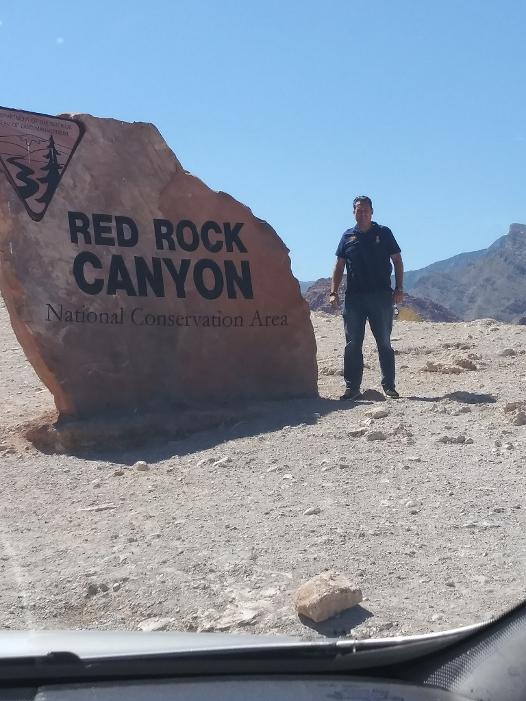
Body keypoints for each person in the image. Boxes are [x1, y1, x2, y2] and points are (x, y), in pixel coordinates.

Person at [330, 195, 404, 400]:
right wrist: (333, 291)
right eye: (358, 210)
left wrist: (399, 287)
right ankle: (352, 387)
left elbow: (397, 260)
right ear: (353, 212)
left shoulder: (384, 233)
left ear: (372, 212)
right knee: (352, 343)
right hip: (354, 298)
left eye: (365, 210)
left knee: (384, 342)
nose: (361, 214)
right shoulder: (347, 237)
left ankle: (389, 385)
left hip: (381, 296)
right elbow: (339, 265)